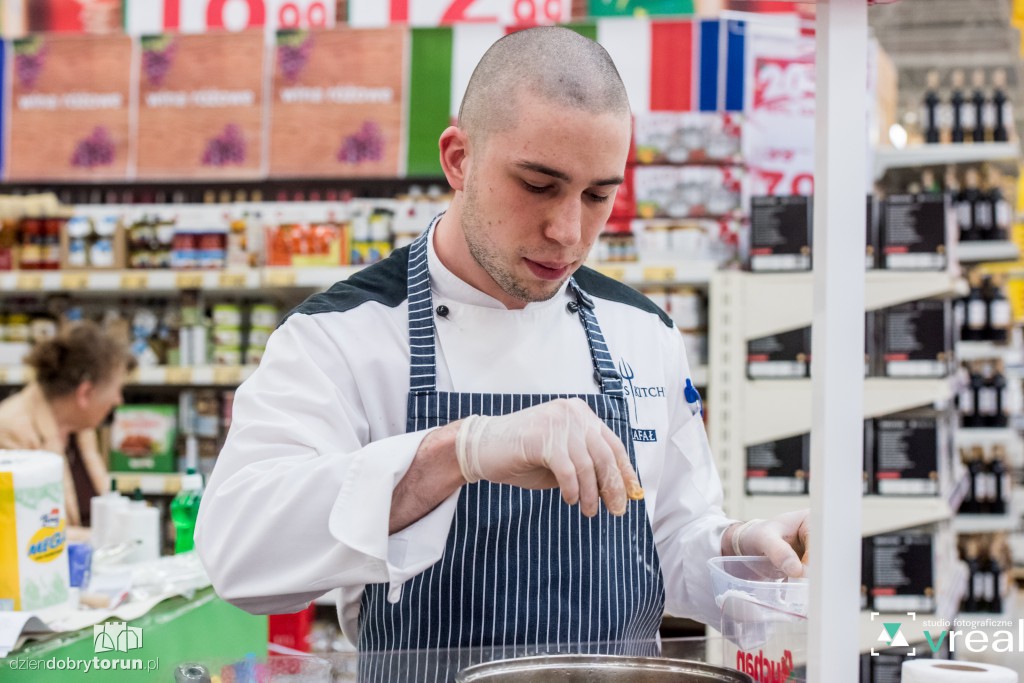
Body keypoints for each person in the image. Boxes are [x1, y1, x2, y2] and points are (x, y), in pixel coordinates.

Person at [196, 25, 809, 671]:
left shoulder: (643, 333)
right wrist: (459, 451)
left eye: (598, 194)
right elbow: (240, 554)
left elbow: (671, 538)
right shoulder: (343, 334)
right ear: (459, 158)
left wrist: (743, 549)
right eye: (538, 185)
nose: (567, 231)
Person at [0, 320, 133, 538]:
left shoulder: (81, 427)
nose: (118, 400)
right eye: (116, 389)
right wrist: (103, 539)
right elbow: (22, 530)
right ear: (85, 393)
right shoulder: (10, 431)